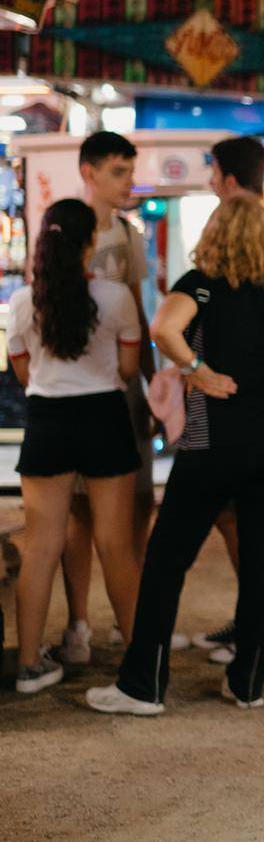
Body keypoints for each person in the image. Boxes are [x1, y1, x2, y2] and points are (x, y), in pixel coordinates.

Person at [86, 197, 264, 715]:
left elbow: (165, 328)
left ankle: (142, 685)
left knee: (167, 560)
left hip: (216, 436)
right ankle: (248, 683)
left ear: (217, 233)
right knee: (261, 558)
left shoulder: (201, 281)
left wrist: (197, 369)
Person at [9, 199, 142, 693]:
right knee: (115, 543)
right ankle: (137, 655)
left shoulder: (25, 302)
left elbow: (23, 373)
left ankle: (29, 665)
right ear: (90, 243)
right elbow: (129, 371)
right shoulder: (116, 299)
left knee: (42, 545)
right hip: (104, 417)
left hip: (47, 420)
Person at [188, 137, 264, 662]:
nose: (209, 182)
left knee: (252, 534)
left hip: (236, 410)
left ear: (229, 180)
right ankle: (256, 637)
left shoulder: (247, 236)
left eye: (212, 173)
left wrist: (195, 369)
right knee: (257, 532)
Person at [56, 131, 159, 664]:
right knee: (78, 513)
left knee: (136, 506)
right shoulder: (64, 230)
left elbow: (141, 318)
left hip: (123, 393)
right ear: (89, 172)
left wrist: (151, 386)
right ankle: (79, 624)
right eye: (118, 171)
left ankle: (128, 621)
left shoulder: (130, 234)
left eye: (129, 170)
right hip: (79, 396)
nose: (128, 182)